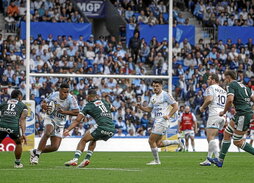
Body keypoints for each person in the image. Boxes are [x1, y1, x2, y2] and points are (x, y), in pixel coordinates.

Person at [208, 70, 254, 167]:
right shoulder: (244, 86)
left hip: (243, 114)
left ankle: (220, 161)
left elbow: (230, 100)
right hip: (242, 113)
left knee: (237, 141)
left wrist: (224, 112)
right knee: (227, 133)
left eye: (225, 77)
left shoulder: (231, 85)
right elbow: (252, 98)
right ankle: (220, 161)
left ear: (228, 77)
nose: (224, 79)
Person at [64, 89, 116, 168]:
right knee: (93, 139)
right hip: (112, 129)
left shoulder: (88, 106)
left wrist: (68, 129)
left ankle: (75, 159)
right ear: (96, 96)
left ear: (88, 96)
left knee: (83, 140)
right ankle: (86, 159)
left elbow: (77, 120)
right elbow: (113, 109)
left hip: (102, 126)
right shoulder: (104, 102)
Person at [30, 83, 79, 164]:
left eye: (67, 92)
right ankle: (37, 156)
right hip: (50, 118)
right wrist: (44, 106)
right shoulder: (53, 95)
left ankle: (35, 151)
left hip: (60, 123)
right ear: (60, 91)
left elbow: (77, 112)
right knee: (47, 132)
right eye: (64, 92)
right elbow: (44, 102)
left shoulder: (71, 99)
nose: (66, 94)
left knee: (54, 147)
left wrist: (64, 112)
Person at [137, 80, 183, 165]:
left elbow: (176, 106)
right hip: (157, 121)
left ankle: (157, 161)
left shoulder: (165, 95)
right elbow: (149, 109)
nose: (155, 88)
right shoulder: (153, 97)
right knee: (158, 144)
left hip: (162, 121)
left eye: (157, 86)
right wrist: (141, 107)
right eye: (154, 86)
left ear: (161, 86)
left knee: (151, 141)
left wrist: (169, 115)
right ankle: (177, 142)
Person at [199, 74, 227, 166]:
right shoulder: (223, 90)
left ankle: (218, 159)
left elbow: (210, 99)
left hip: (214, 114)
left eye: (209, 79)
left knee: (210, 137)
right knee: (212, 138)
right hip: (222, 114)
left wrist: (202, 107)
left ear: (214, 80)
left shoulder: (211, 88)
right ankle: (208, 159)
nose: (207, 80)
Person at [0, 89, 28, 168]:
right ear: (19, 97)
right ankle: (17, 163)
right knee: (18, 143)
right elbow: (22, 119)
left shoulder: (4, 103)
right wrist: (24, 133)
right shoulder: (22, 105)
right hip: (13, 126)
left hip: (2, 124)